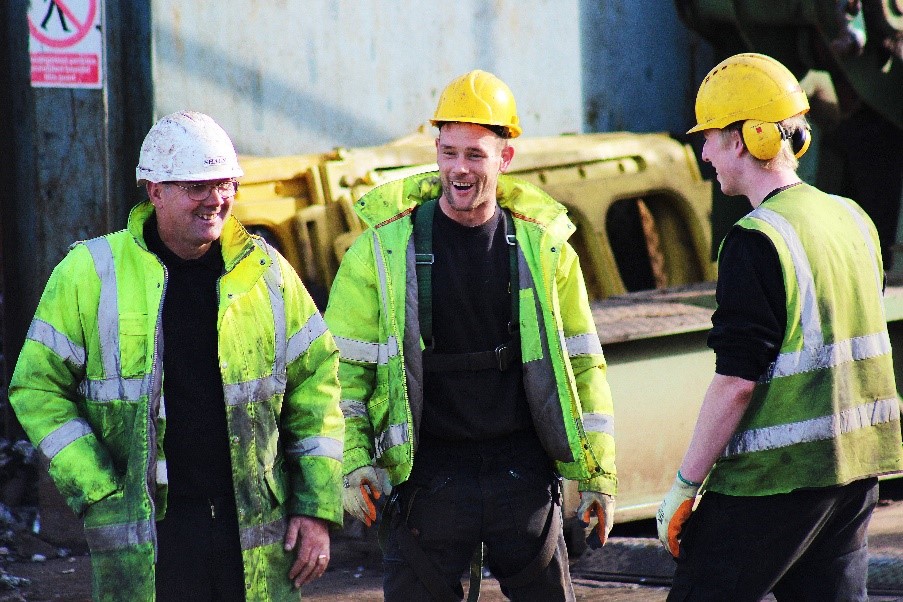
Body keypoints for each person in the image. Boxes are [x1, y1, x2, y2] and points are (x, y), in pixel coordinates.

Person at [9, 110, 345, 601]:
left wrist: (316, 509)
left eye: (225, 183)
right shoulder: (89, 274)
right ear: (155, 191)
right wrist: (98, 486)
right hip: (151, 538)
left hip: (252, 532)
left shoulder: (266, 272)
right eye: (196, 186)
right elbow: (36, 387)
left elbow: (317, 385)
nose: (216, 200)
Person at [323, 70, 617, 601]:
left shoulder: (545, 251)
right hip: (427, 483)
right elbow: (344, 371)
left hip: (521, 478)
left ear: (505, 158)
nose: (460, 169)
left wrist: (600, 475)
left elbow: (583, 367)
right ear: (435, 149)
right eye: (449, 151)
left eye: (476, 154)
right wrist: (355, 462)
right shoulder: (383, 252)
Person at [656, 53, 903, 601]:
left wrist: (685, 484)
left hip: (776, 479)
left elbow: (738, 383)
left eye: (712, 137)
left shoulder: (755, 240)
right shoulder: (852, 218)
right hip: (855, 469)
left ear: (748, 138)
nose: (704, 153)